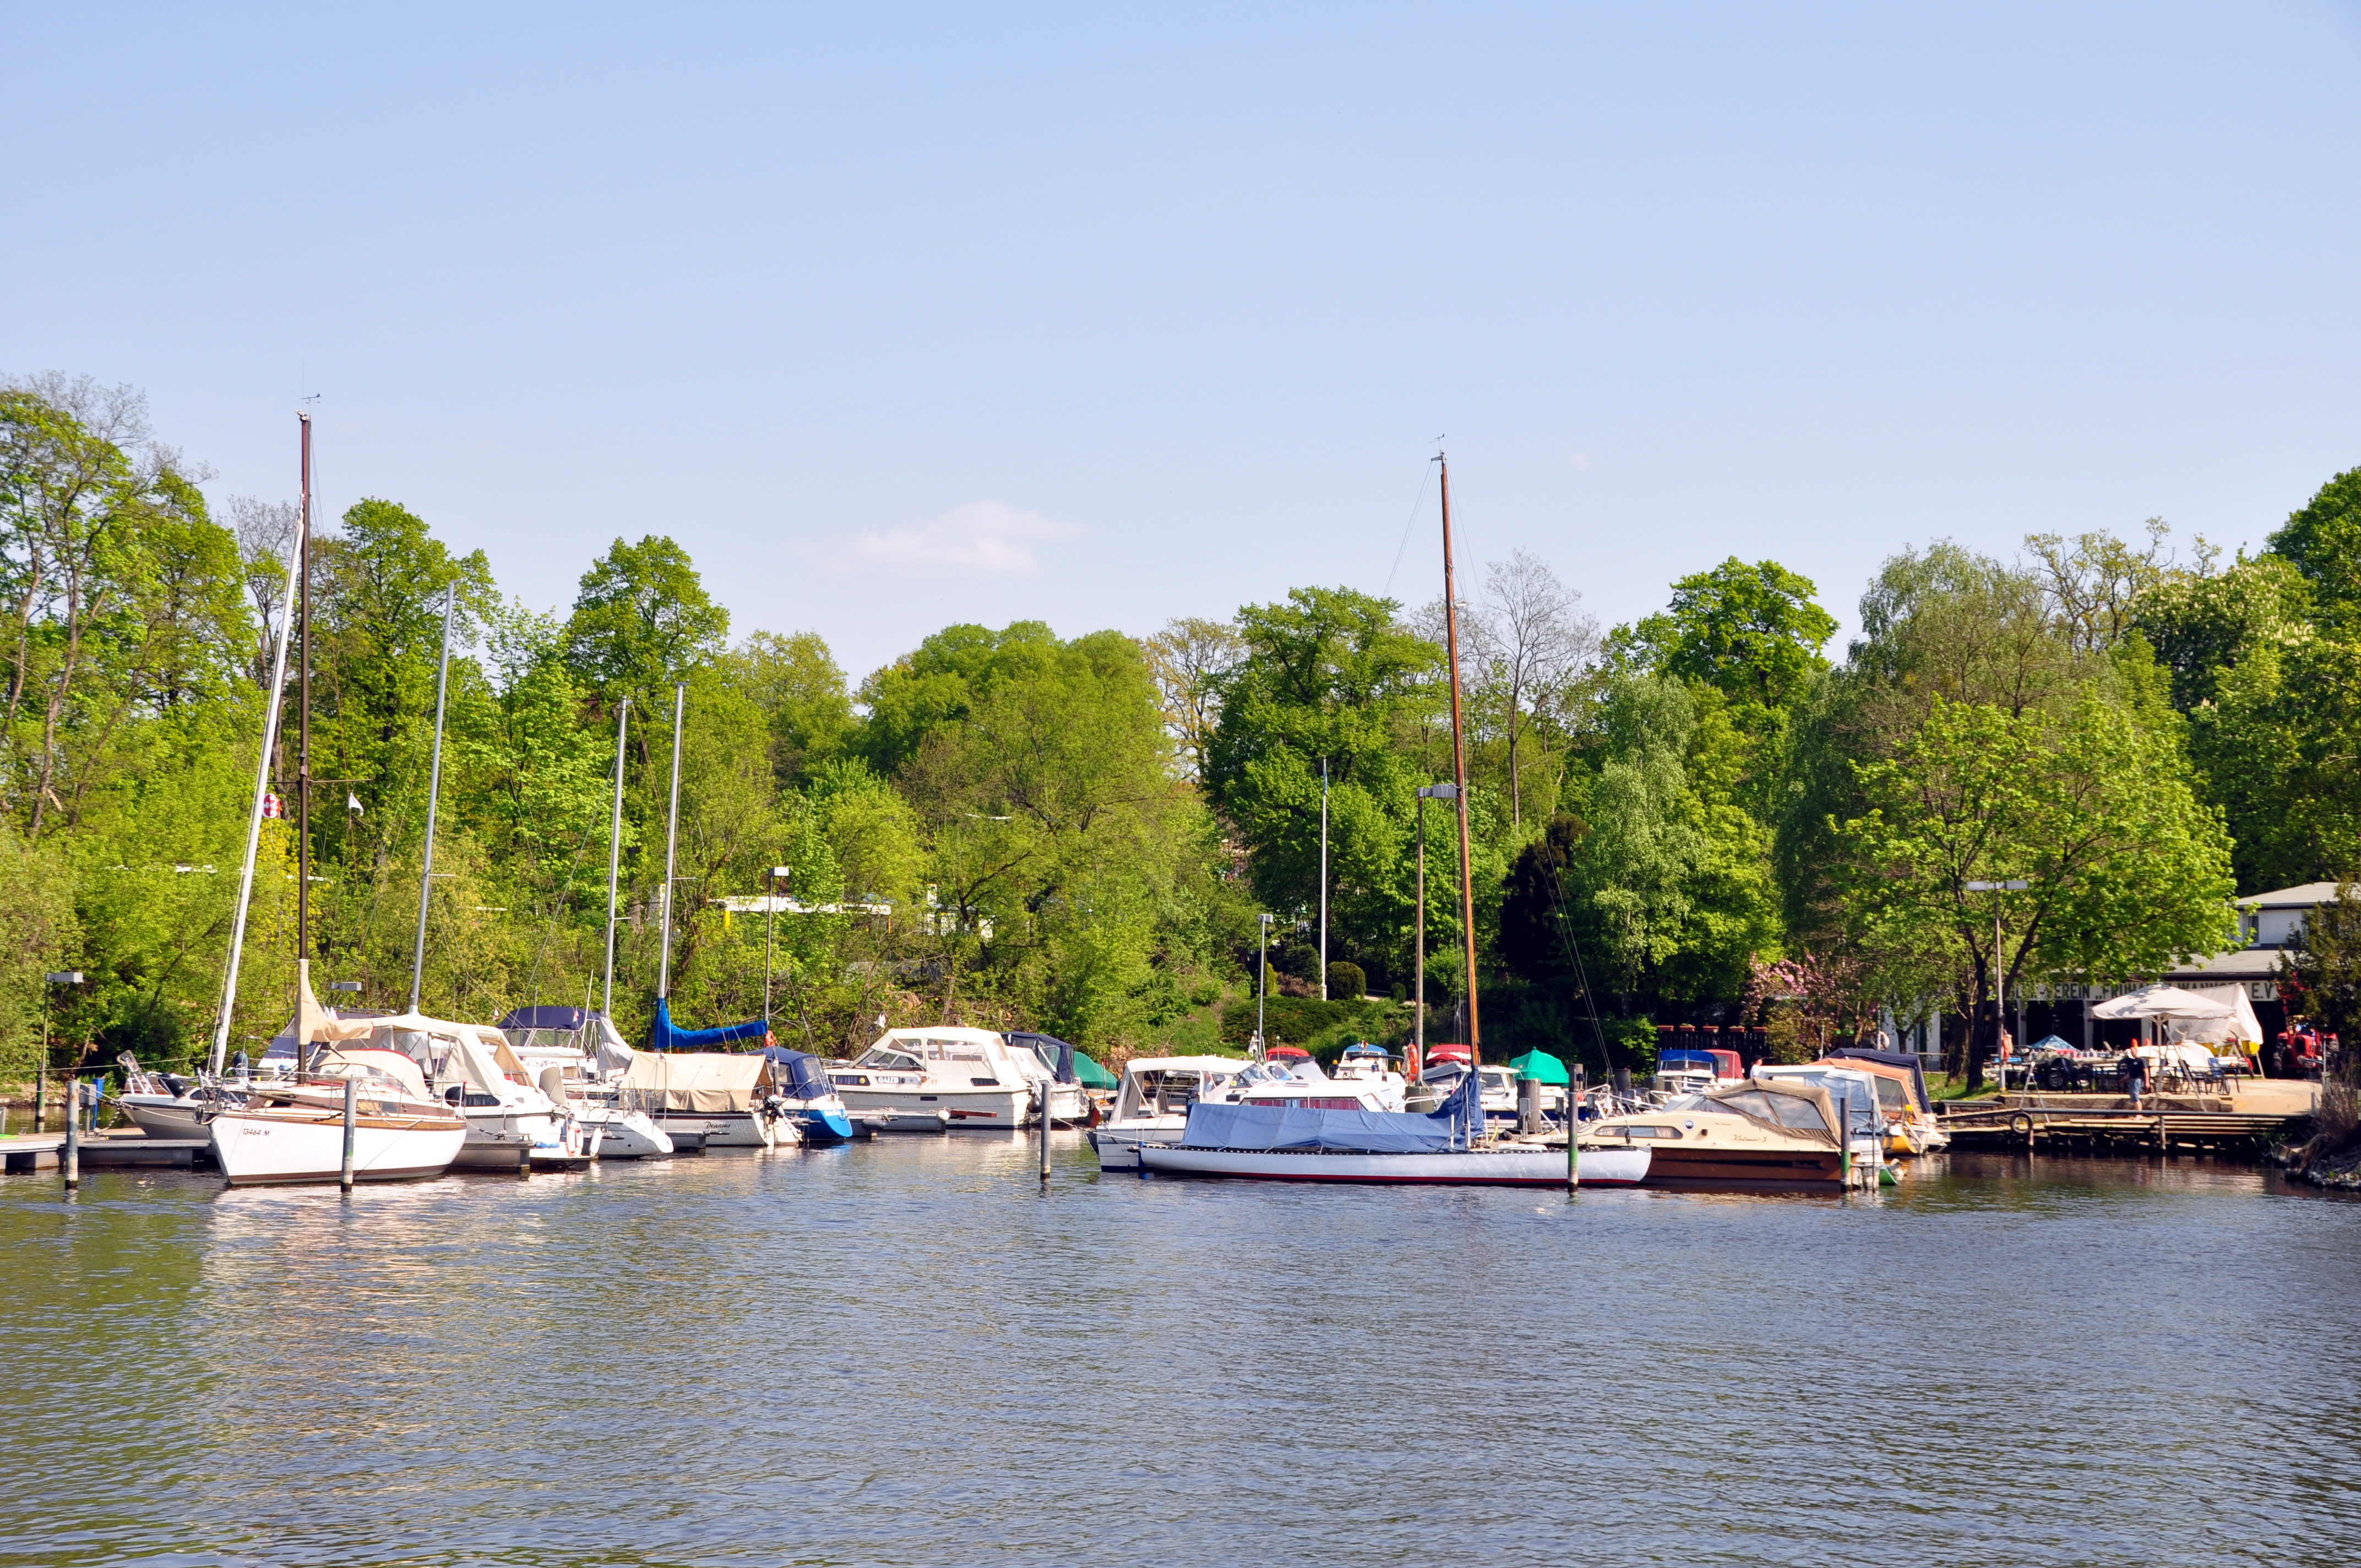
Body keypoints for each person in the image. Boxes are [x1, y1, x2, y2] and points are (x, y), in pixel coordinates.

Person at [2121, 1046, 2147, 1110]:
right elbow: (2130, 1074)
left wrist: (2147, 1082)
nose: (2132, 1053)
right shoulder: (2133, 1062)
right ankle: (2137, 1112)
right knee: (2133, 1097)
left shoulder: (2141, 1060)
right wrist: (2122, 1080)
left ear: (2136, 1051)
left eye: (2133, 1052)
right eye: (2131, 1052)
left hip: (2137, 1080)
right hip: (2132, 1080)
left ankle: (2139, 1113)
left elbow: (2146, 1071)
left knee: (2136, 1096)